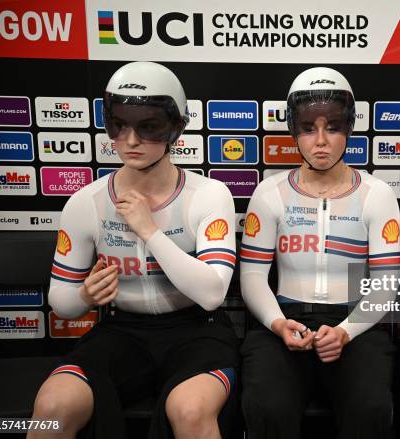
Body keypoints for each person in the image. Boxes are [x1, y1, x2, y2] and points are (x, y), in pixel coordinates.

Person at [29, 61, 239, 439]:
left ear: (176, 127)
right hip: (121, 331)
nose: (130, 140)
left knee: (190, 411)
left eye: (148, 126)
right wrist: (84, 295)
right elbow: (61, 302)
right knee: (52, 408)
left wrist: (149, 230)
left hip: (196, 330)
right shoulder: (86, 202)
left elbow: (211, 294)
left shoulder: (208, 195)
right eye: (119, 124)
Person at [239, 67, 400, 439]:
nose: (321, 141)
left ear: (349, 127)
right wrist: (278, 323)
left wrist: (346, 331)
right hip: (284, 320)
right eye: (309, 128)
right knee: (267, 407)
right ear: (294, 130)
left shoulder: (376, 194)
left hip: (356, 322)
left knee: (371, 408)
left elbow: (386, 283)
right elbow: (251, 277)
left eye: (333, 127)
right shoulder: (270, 192)